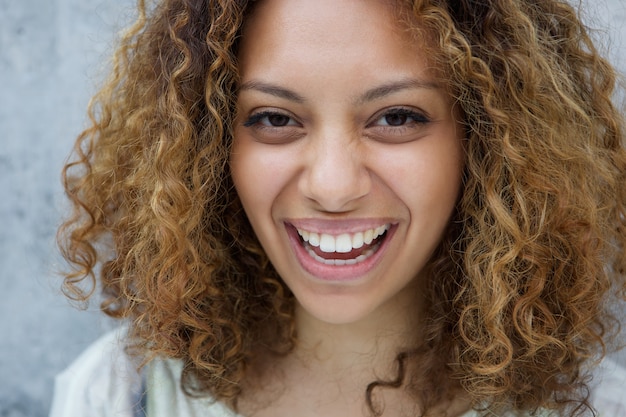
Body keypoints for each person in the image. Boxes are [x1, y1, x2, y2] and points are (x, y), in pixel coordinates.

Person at [50, 0, 626, 416]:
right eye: (275, 118)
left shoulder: (596, 407)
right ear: (207, 146)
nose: (331, 186)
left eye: (397, 117)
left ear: (490, 142)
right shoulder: (118, 395)